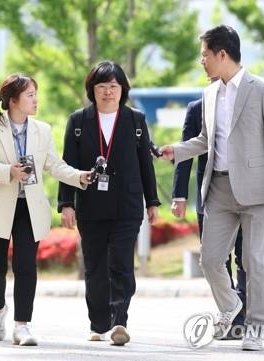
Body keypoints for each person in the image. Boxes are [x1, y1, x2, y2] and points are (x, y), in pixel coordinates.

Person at [160, 25, 264, 351]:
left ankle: (256, 328)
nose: (201, 61)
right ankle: (231, 305)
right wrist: (177, 151)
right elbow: (206, 140)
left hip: (257, 190)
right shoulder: (209, 93)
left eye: (204, 55)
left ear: (222, 54)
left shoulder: (262, 89)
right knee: (210, 259)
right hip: (217, 188)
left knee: (253, 260)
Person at [0, 74, 92, 346]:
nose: (36, 99)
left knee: (26, 266)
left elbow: (54, 165)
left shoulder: (42, 130)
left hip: (29, 208)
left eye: (36, 93)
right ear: (13, 100)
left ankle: (22, 326)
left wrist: (79, 177)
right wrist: (8, 172)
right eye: (30, 95)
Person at [57, 60, 161, 346]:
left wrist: (152, 201)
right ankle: (98, 323)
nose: (107, 92)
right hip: (91, 205)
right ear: (92, 90)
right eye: (101, 87)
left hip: (127, 204)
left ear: (122, 89)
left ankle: (119, 321)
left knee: (121, 262)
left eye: (113, 86)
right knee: (95, 266)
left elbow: (145, 165)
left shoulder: (135, 120)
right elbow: (68, 164)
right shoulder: (78, 121)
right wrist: (67, 203)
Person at [171, 97, 246, 340]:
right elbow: (186, 150)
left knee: (246, 257)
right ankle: (231, 311)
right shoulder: (197, 107)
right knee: (216, 259)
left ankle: (243, 318)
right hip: (211, 193)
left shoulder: (248, 100)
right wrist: (179, 195)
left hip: (249, 193)